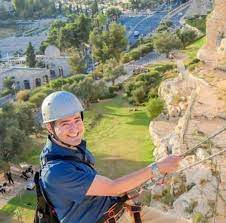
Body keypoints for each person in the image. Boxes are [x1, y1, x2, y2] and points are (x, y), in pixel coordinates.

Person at [40, 91, 189, 223]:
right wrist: (157, 168)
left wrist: (122, 194)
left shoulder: (71, 149)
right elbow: (112, 187)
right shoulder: (56, 171)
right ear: (49, 127)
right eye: (65, 123)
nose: (75, 129)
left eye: (77, 120)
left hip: (120, 210)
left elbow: (97, 188)